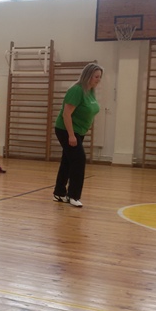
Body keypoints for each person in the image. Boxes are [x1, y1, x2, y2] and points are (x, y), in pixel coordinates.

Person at [53, 63, 103, 208]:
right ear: (88, 76)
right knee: (79, 160)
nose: (98, 79)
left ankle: (59, 192)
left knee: (67, 161)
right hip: (66, 130)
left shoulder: (90, 91)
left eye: (100, 77)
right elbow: (66, 114)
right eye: (96, 77)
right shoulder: (76, 90)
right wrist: (71, 135)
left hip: (79, 131)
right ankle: (73, 195)